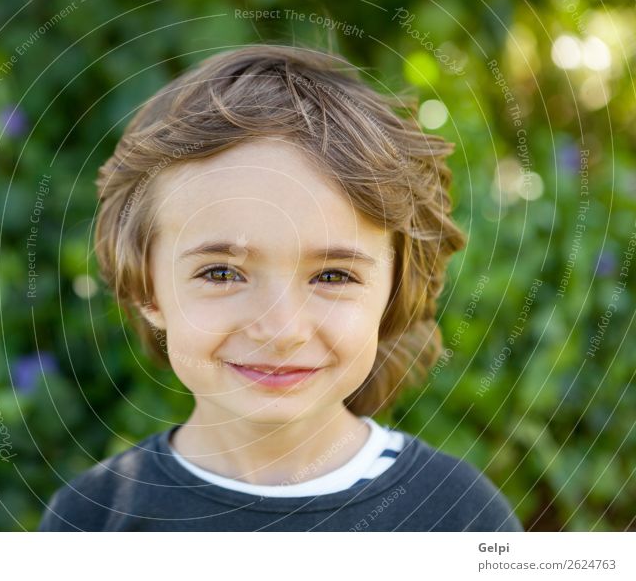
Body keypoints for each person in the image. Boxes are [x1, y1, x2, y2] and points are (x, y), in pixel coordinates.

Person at [37, 43, 524, 531]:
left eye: (333, 276)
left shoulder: (459, 517)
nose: (281, 330)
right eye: (222, 273)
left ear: (395, 291)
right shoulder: (90, 518)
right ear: (147, 287)